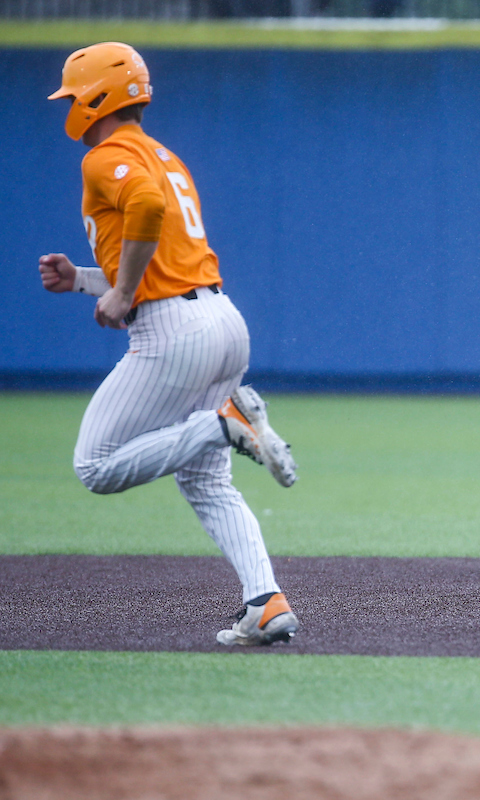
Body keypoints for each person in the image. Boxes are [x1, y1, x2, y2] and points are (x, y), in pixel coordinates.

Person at [40, 42, 300, 647]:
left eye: (74, 96)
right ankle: (265, 603)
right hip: (221, 320)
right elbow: (163, 255)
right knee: (208, 483)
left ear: (96, 98)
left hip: (174, 333)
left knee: (95, 467)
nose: (70, 107)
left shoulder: (107, 155)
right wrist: (84, 281)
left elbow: (147, 213)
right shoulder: (165, 156)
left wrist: (121, 290)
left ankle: (223, 424)